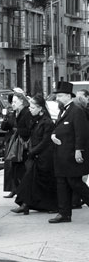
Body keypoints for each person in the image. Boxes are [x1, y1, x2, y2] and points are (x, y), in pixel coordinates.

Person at [49, 82, 89, 223]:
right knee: (62, 184)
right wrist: (54, 135)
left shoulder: (76, 110)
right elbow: (59, 127)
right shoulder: (63, 110)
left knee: (75, 183)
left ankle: (65, 212)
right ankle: (64, 213)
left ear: (67, 96)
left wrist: (79, 150)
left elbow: (81, 133)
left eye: (59, 95)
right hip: (61, 154)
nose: (57, 98)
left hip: (71, 154)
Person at [11, 95, 58, 214]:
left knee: (44, 183)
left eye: (32, 107)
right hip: (37, 156)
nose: (30, 109)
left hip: (45, 158)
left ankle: (51, 206)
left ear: (40, 108)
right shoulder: (36, 120)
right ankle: (25, 204)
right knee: (28, 181)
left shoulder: (47, 122)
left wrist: (33, 151)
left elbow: (45, 142)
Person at [1, 92, 32, 198]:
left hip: (22, 144)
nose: (12, 104)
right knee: (12, 168)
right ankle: (14, 189)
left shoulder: (26, 113)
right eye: (12, 102)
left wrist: (17, 130)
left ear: (22, 101)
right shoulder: (12, 113)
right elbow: (3, 127)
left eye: (15, 102)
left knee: (20, 169)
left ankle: (22, 195)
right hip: (12, 141)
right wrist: (5, 117)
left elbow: (28, 129)